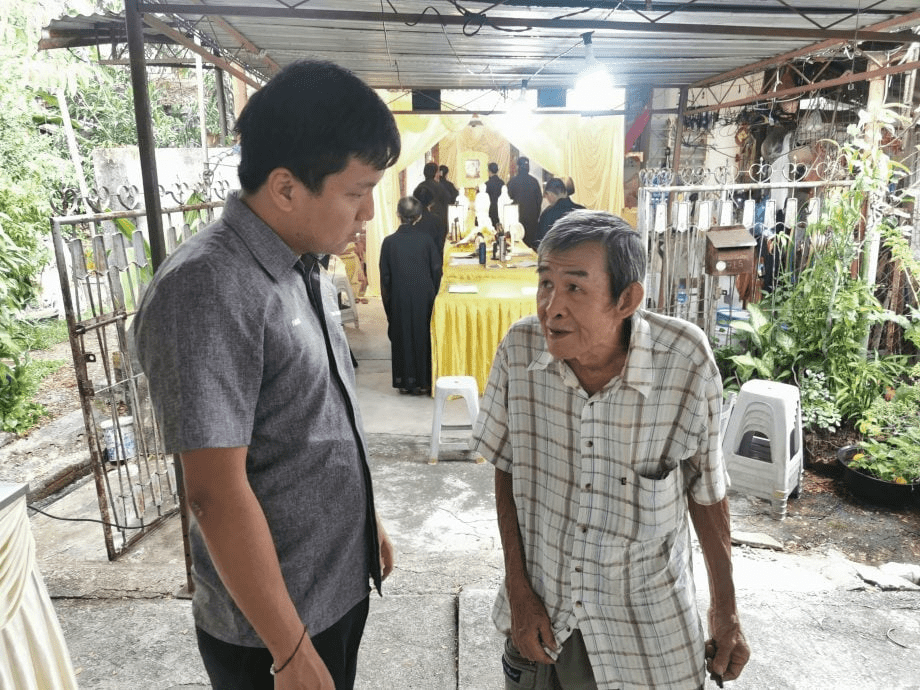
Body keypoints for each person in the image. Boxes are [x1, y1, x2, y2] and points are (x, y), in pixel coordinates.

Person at [132, 59, 400, 690]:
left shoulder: (300, 263)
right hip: (274, 629)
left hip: (331, 585)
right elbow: (214, 491)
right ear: (285, 188)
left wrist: (366, 522)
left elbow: (313, 419)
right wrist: (289, 650)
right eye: (356, 193)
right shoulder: (208, 289)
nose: (367, 213)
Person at [472, 210, 750, 689]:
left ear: (627, 299)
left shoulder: (684, 361)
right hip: (544, 621)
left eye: (574, 288)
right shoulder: (519, 350)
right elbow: (507, 468)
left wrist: (725, 612)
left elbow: (707, 493)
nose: (551, 307)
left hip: (646, 631)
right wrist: (518, 590)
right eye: (545, 283)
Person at [379, 196, 443, 396]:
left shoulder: (389, 242)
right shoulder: (426, 240)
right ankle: (424, 382)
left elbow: (385, 278)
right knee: (423, 336)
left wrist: (389, 306)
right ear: (418, 216)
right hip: (424, 296)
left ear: (398, 214)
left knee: (402, 336)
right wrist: (433, 293)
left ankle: (405, 382)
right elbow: (436, 271)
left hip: (399, 296)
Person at [535, 177, 585, 247]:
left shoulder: (548, 214)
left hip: (555, 253)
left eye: (547, 196)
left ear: (550, 194)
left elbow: (540, 242)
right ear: (565, 192)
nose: (547, 199)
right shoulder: (582, 211)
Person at [506, 156, 542, 250]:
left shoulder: (512, 182)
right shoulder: (534, 182)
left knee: (517, 246)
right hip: (532, 221)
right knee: (530, 247)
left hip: (516, 221)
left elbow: (507, 202)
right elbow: (539, 201)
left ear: (518, 167)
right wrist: (536, 217)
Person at [413, 161, 450, 230]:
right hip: (438, 224)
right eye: (438, 172)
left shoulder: (419, 187)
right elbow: (449, 200)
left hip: (421, 225)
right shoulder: (440, 187)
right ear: (436, 174)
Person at [414, 184, 448, 258]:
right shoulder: (437, 220)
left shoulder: (411, 219)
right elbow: (441, 245)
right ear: (431, 202)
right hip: (433, 260)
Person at [485, 161, 505, 228]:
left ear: (489, 171)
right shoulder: (502, 183)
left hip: (490, 211)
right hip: (501, 211)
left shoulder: (487, 184)